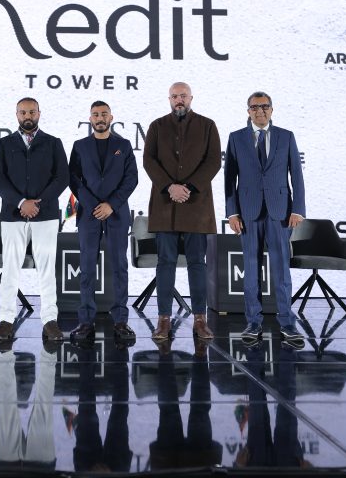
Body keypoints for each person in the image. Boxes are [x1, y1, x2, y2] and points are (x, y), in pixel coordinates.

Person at [224, 91, 305, 348]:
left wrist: (298, 209)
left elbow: (296, 174)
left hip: (280, 212)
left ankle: (288, 324)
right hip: (248, 213)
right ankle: (253, 323)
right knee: (251, 270)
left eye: (264, 106)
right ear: (248, 111)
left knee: (281, 270)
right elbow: (229, 178)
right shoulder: (236, 138)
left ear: (272, 109)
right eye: (254, 107)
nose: (260, 110)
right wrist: (232, 212)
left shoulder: (286, 136)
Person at [143, 82, 221, 341]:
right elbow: (149, 160)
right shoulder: (157, 126)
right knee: (165, 263)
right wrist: (170, 187)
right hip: (165, 206)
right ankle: (163, 320)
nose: (179, 100)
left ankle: (200, 319)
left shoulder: (207, 125)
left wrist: (188, 187)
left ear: (191, 98)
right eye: (175, 96)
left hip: (196, 206)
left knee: (197, 263)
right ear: (169, 99)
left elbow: (213, 161)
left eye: (183, 96)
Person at [0, 97, 69, 343]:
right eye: (23, 112)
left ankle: (50, 321)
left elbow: (62, 177)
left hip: (45, 215)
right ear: (17, 115)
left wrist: (37, 204)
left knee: (47, 269)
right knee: (10, 268)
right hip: (13, 215)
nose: (28, 116)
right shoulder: (4, 144)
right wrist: (20, 202)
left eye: (32, 112)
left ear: (39, 113)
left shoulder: (53, 143)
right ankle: (6, 320)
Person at [68, 101, 138, 344]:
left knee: (119, 266)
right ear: (90, 118)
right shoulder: (80, 146)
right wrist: (92, 204)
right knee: (87, 268)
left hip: (116, 214)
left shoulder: (124, 145)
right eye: (96, 114)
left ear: (111, 117)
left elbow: (131, 179)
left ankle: (120, 320)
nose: (100, 118)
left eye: (104, 114)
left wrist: (111, 205)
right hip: (89, 215)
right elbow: (73, 179)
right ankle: (86, 321)